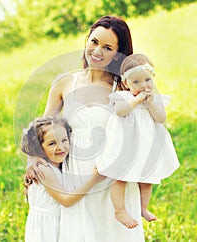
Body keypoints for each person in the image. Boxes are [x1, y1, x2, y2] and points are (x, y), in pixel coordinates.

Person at [26, 15, 146, 242]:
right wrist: (33, 157)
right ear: (87, 40)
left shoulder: (122, 88)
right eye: (94, 41)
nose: (97, 50)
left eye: (108, 47)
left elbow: (140, 132)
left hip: (111, 176)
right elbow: (42, 128)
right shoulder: (65, 83)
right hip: (76, 174)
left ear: (118, 54)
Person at [96, 53, 180, 228]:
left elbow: (161, 118)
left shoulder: (154, 99)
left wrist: (150, 103)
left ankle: (143, 207)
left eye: (147, 80)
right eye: (136, 82)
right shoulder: (123, 96)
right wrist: (137, 100)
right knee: (119, 176)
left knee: (147, 178)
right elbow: (120, 111)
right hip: (125, 145)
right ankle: (119, 210)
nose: (143, 85)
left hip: (146, 146)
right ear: (126, 83)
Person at [22, 116, 105, 242]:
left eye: (64, 140)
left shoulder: (61, 166)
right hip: (45, 228)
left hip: (56, 224)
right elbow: (65, 200)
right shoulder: (44, 169)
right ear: (39, 148)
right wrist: (93, 179)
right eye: (52, 143)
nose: (61, 147)